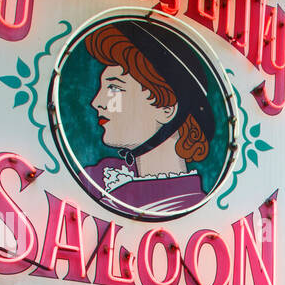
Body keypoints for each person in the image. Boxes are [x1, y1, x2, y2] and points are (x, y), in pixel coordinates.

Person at [82, 20, 218, 218]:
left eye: (114, 89)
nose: (97, 102)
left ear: (166, 109)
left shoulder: (188, 205)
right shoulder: (100, 177)